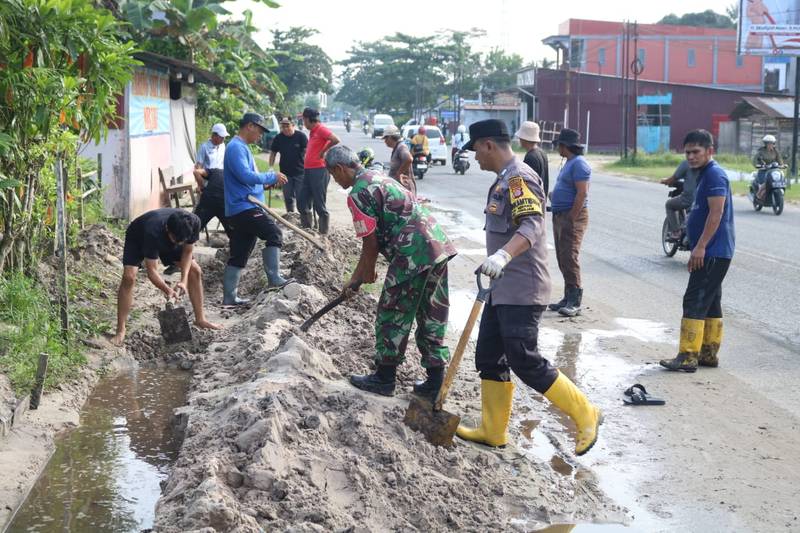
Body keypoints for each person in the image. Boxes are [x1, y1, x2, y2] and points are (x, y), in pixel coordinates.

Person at [455, 119, 601, 456]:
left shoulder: (519, 177)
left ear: (488, 145)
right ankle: (493, 430)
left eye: (476, 149)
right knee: (489, 358)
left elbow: (533, 224)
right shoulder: (503, 179)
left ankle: (585, 412)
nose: (475, 157)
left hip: (523, 288)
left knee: (523, 358)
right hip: (502, 288)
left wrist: (504, 255)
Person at [325, 145, 457, 399]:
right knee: (432, 311)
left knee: (392, 312)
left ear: (340, 168)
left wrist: (359, 276)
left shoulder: (359, 193)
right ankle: (435, 381)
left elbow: (370, 243)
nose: (335, 179)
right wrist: (364, 272)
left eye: (333, 174)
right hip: (436, 244)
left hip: (413, 252)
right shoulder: (379, 176)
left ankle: (384, 378)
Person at [661, 130, 734, 373]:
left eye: (696, 152)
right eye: (688, 152)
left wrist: (700, 246)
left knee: (694, 299)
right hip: (715, 249)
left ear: (709, 151)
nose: (691, 157)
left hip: (713, 250)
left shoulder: (714, 175)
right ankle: (708, 353)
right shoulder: (704, 174)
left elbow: (717, 213)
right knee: (711, 301)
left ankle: (688, 355)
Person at [111, 209, 220, 345]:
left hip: (168, 237)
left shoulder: (193, 223)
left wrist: (183, 281)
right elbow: (152, 271)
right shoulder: (152, 231)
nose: (179, 243)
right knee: (129, 277)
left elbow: (187, 251)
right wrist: (168, 290)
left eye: (182, 240)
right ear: (167, 229)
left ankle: (200, 319)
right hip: (138, 237)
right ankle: (121, 329)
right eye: (176, 240)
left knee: (195, 270)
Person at [222, 112, 293, 306]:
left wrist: (265, 185)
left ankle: (229, 297)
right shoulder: (236, 147)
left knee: (240, 252)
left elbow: (247, 180)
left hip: (243, 206)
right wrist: (271, 177)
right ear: (250, 126)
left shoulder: (240, 147)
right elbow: (246, 176)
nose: (260, 136)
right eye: (260, 131)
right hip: (243, 207)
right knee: (274, 233)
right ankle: (274, 278)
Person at [548, 128, 590, 318]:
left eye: (559, 145)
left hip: (572, 216)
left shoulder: (580, 164)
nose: (557, 148)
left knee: (570, 256)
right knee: (562, 257)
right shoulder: (569, 163)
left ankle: (575, 301)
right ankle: (567, 297)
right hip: (560, 214)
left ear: (565, 146)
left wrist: (571, 218)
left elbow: (582, 193)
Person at [300, 107, 339, 233]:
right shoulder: (312, 131)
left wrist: (323, 151)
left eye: (303, 120)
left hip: (319, 170)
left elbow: (335, 139)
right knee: (302, 202)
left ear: (307, 119)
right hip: (308, 170)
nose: (303, 123)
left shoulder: (320, 129)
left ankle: (323, 234)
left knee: (319, 204)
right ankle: (307, 231)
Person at [193, 123, 230, 233]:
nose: (223, 139)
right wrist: (200, 185)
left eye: (224, 137)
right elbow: (198, 166)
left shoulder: (223, 146)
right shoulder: (204, 147)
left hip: (221, 181)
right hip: (208, 180)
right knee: (201, 214)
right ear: (214, 135)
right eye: (221, 136)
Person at [269, 117, 308, 214]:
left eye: (287, 126)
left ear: (293, 125)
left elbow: (308, 153)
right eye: (283, 126)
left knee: (300, 197)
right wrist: (271, 167)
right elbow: (273, 153)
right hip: (285, 173)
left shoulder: (301, 136)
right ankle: (291, 215)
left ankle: (303, 217)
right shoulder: (279, 138)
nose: (285, 129)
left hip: (300, 172)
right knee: (288, 197)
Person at [660, 159, 699, 239]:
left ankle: (676, 232)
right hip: (705, 200)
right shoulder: (710, 167)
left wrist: (664, 181)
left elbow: (672, 179)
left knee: (669, 204)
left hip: (689, 199)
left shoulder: (687, 163)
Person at [516, 121, 550, 198]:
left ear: (525, 138)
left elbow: (527, 183)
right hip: (541, 198)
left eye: (521, 137)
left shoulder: (531, 157)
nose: (519, 139)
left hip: (533, 200)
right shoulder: (542, 152)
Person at [382, 125, 416, 196]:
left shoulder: (401, 147)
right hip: (399, 189)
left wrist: (399, 174)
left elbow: (409, 159)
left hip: (405, 189)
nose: (385, 142)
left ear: (391, 137)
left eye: (386, 139)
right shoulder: (396, 148)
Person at [753, 134, 783, 200]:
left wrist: (782, 165)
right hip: (763, 170)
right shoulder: (761, 151)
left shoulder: (775, 151)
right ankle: (758, 194)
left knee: (779, 181)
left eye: (772, 143)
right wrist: (758, 165)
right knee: (766, 182)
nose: (770, 145)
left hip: (773, 170)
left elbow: (779, 159)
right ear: (765, 144)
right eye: (768, 143)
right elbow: (755, 160)